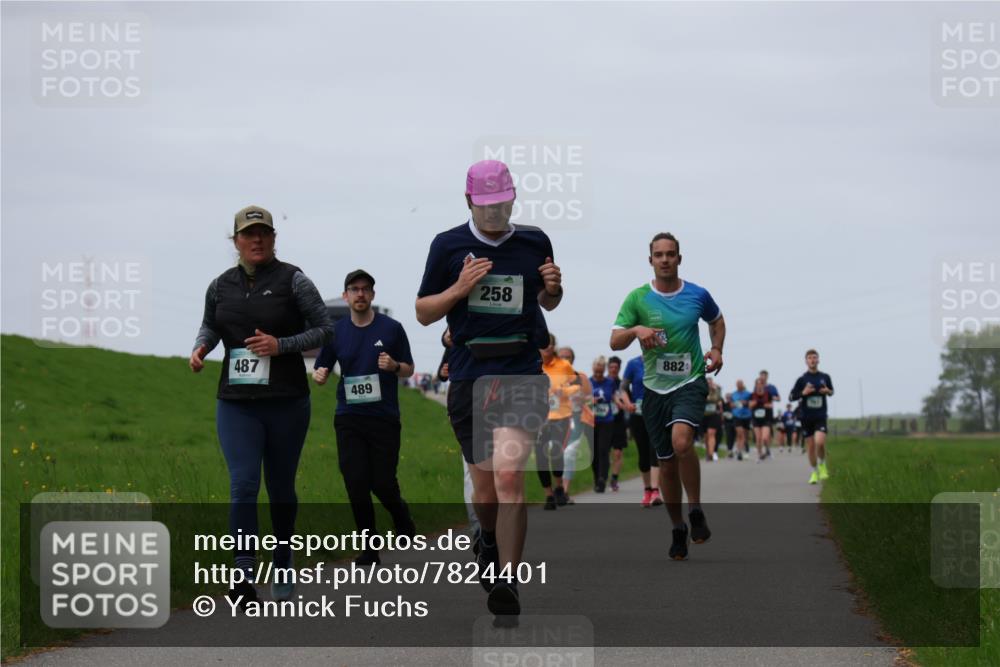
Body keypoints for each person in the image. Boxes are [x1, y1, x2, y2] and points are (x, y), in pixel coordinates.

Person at [415, 159, 563, 619]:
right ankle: (487, 538)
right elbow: (423, 312)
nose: (494, 212)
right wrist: (458, 289)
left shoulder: (534, 241)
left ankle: (508, 580)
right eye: (486, 205)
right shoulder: (447, 245)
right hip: (470, 377)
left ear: (513, 198)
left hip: (521, 372)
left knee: (509, 477)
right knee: (485, 490)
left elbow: (548, 302)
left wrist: (554, 289)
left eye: (502, 203)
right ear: (469, 201)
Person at [190, 205, 333, 607]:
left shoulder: (294, 280)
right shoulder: (220, 286)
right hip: (237, 403)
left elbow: (325, 329)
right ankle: (243, 575)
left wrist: (280, 345)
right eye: (249, 234)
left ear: (273, 238)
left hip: (286, 402)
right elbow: (211, 324)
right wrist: (201, 347)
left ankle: (283, 557)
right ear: (235, 240)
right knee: (243, 485)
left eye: (264, 233)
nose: (257, 240)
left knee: (280, 487)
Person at [610, 232, 726, 561]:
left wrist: (717, 348)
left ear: (679, 258)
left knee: (682, 442)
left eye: (670, 254)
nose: (665, 260)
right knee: (666, 463)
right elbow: (615, 341)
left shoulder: (697, 294)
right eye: (659, 255)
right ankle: (678, 527)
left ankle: (696, 509)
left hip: (689, 381)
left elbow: (717, 321)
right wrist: (636, 330)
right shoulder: (638, 299)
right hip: (654, 389)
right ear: (651, 260)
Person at [313, 269, 417, 566]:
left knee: (382, 482)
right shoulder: (336, 332)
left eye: (365, 289)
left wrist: (394, 366)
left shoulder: (392, 329)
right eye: (354, 289)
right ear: (345, 296)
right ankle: (369, 547)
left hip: (384, 417)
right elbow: (321, 366)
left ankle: (402, 518)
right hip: (349, 416)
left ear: (372, 295)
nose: (360, 294)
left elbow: (409, 368)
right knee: (355, 481)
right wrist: (319, 374)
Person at [534, 334, 577, 509]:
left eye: (549, 344)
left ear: (553, 347)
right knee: (541, 457)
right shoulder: (533, 365)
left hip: (561, 416)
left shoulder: (563, 365)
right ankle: (549, 495)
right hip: (538, 418)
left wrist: (564, 391)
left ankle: (559, 486)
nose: (547, 348)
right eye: (543, 345)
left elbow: (578, 385)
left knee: (556, 452)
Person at [789, 349, 834, 484]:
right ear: (806, 361)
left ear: (818, 360)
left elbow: (832, 392)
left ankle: (822, 465)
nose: (812, 360)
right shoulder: (802, 380)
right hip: (806, 417)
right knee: (811, 447)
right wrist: (803, 393)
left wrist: (827, 391)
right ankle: (814, 472)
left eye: (814, 357)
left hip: (820, 416)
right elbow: (791, 397)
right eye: (810, 358)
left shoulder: (825, 377)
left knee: (820, 442)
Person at [622, 354, 662, 506]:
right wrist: (627, 403)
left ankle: (655, 491)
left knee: (654, 450)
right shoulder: (633, 364)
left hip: (656, 414)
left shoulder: (662, 359)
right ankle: (647, 490)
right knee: (643, 453)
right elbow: (623, 388)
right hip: (638, 414)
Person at [557, 346, 593, 502]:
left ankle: (565, 491)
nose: (565, 359)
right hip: (556, 420)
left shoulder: (581, 377)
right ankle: (557, 489)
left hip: (576, 420)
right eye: (562, 356)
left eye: (568, 357)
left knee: (569, 454)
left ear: (572, 359)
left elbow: (590, 399)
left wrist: (583, 399)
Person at [589, 356, 617, 493]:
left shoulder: (610, 382)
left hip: (607, 421)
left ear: (604, 370)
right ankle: (596, 478)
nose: (599, 375)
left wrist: (623, 404)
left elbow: (615, 396)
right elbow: (580, 400)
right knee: (593, 453)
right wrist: (591, 401)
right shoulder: (587, 382)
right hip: (591, 422)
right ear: (593, 370)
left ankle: (602, 479)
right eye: (596, 372)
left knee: (603, 450)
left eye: (601, 372)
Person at [606, 356, 630, 491]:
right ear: (607, 368)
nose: (613, 369)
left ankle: (614, 479)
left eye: (616, 367)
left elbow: (629, 402)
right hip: (603, 423)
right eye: (611, 367)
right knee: (604, 453)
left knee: (618, 453)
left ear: (619, 368)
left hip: (619, 422)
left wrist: (624, 404)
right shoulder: (601, 383)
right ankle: (602, 477)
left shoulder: (622, 385)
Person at [749, 377, 774, 462]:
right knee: (758, 438)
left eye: (761, 384)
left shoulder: (768, 394)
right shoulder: (752, 395)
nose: (759, 386)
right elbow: (750, 405)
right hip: (756, 419)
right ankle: (759, 455)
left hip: (766, 419)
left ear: (763, 385)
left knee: (764, 438)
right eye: (758, 384)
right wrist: (754, 404)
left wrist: (765, 405)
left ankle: (767, 449)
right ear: (755, 385)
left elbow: (771, 405)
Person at [701, 377, 724, 462]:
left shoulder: (716, 391)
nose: (709, 384)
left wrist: (717, 389)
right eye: (707, 383)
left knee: (711, 433)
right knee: (706, 436)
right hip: (704, 415)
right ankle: (708, 452)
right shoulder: (701, 391)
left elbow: (719, 401)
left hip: (714, 415)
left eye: (710, 383)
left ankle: (711, 453)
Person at [730, 380, 752, 461]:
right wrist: (735, 404)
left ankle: (745, 449)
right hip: (737, 416)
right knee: (740, 433)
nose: (739, 385)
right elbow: (731, 405)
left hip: (746, 416)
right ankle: (739, 452)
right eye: (737, 384)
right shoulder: (733, 394)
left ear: (743, 385)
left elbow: (752, 403)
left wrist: (745, 403)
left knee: (745, 435)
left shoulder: (748, 394)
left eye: (740, 384)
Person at [722, 393, 736, 457]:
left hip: (734, 421)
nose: (728, 398)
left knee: (733, 436)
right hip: (727, 422)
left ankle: (731, 449)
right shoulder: (724, 404)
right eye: (727, 397)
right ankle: (729, 449)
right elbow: (722, 412)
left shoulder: (734, 404)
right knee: (728, 436)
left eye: (729, 397)